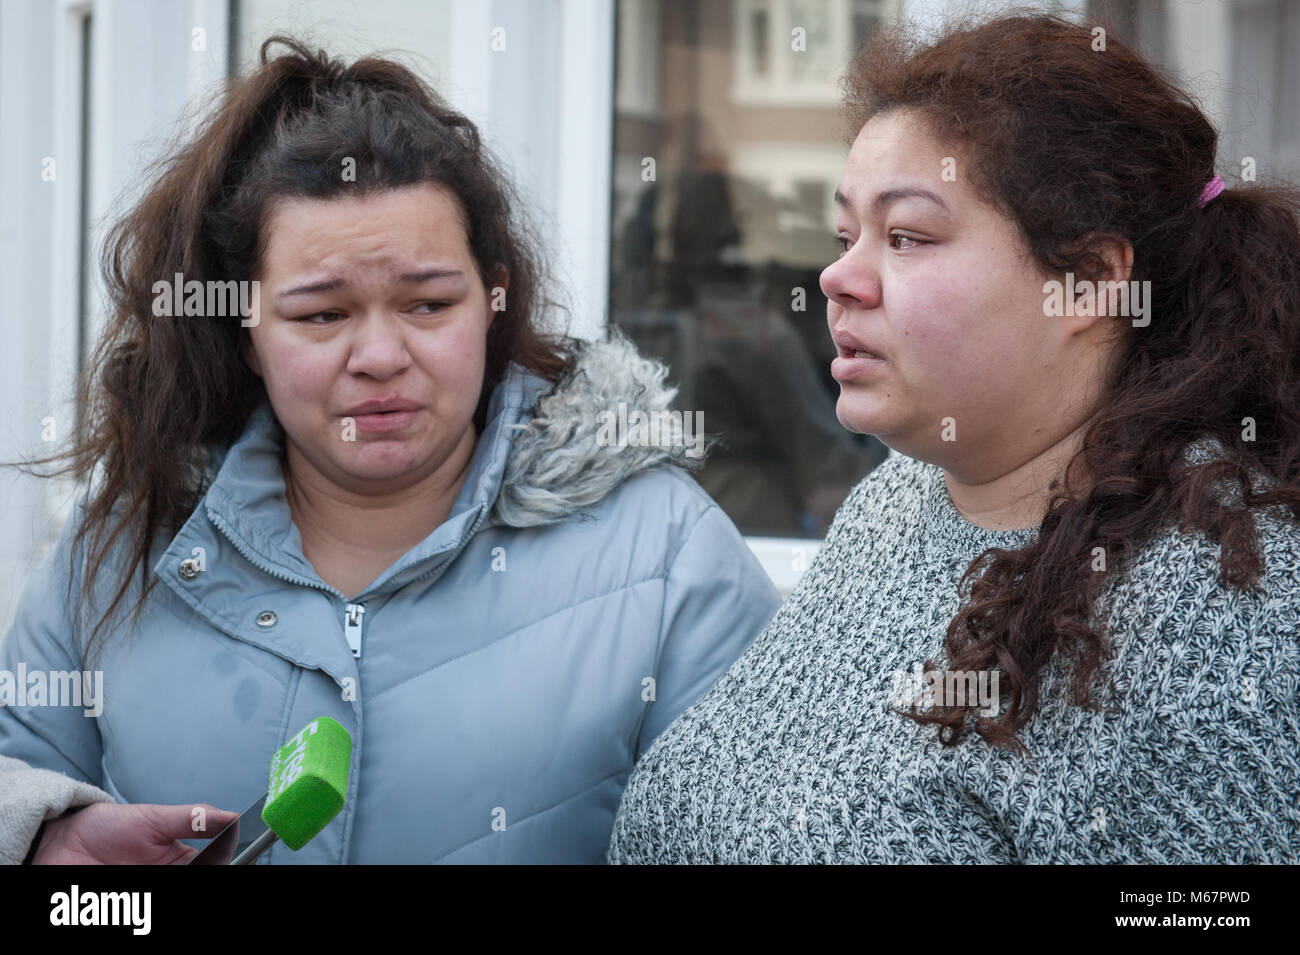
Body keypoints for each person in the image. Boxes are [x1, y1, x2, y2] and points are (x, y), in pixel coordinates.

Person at [0, 36, 780, 865]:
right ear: (246, 335)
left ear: (494, 297)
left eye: (428, 303)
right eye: (321, 315)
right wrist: (45, 842)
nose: (379, 355)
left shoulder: (667, 556)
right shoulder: (118, 553)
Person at [608, 13, 1300, 863]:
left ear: (1089, 283)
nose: (837, 278)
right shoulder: (900, 495)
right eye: (844, 234)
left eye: (906, 236)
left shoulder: (1220, 603)